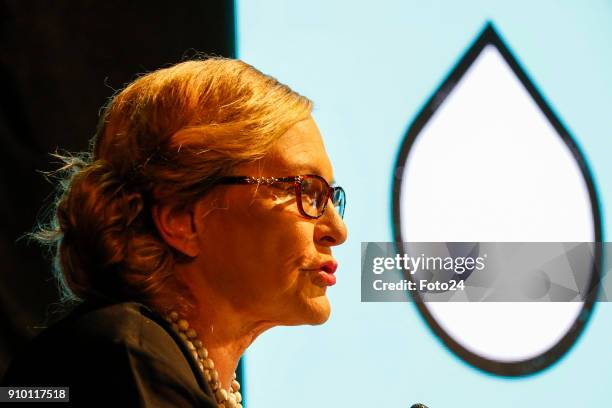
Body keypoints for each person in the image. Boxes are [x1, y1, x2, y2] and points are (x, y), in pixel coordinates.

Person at [1, 58, 348, 407]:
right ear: (181, 218)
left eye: (332, 198)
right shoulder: (123, 361)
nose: (337, 230)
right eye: (305, 191)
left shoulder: (153, 361)